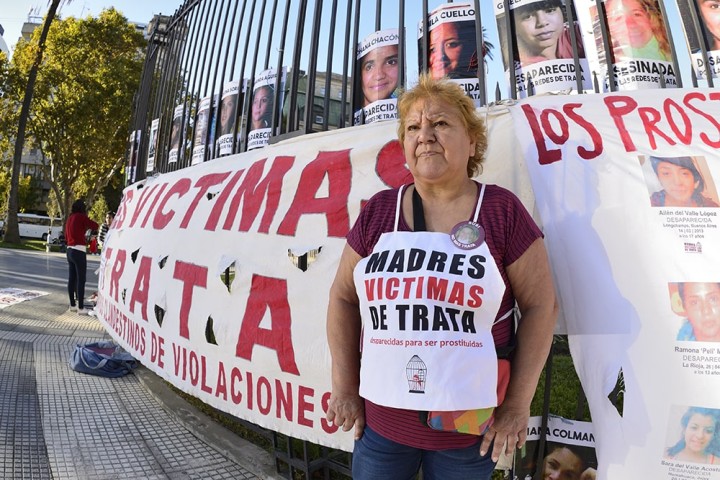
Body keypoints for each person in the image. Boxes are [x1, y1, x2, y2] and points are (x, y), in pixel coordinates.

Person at [325, 75, 558, 479]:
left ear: (471, 142)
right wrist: (344, 386)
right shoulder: (380, 212)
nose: (426, 136)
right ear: (404, 147)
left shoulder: (501, 211)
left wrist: (518, 405)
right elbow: (343, 298)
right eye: (414, 128)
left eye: (441, 124)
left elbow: (541, 306)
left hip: (467, 434)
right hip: (382, 427)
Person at [513, 0, 586, 66]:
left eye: (550, 10)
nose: (542, 22)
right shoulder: (516, 64)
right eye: (527, 16)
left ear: (562, 12)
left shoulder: (579, 33)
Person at [605, 0, 671, 62]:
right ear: (610, 29)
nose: (630, 24)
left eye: (637, 14)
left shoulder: (675, 49)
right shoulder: (608, 66)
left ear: (650, 18)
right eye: (619, 18)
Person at [65, 200, 99, 315]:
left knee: (72, 279)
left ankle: (72, 305)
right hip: (79, 250)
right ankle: (80, 307)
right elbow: (95, 225)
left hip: (69, 250)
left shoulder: (70, 218)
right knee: (81, 280)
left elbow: (66, 235)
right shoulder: (81, 217)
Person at [649, 156, 719, 207]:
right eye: (666, 173)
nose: (677, 182)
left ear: (694, 179)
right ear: (659, 178)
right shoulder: (649, 204)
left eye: (684, 173)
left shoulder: (711, 206)